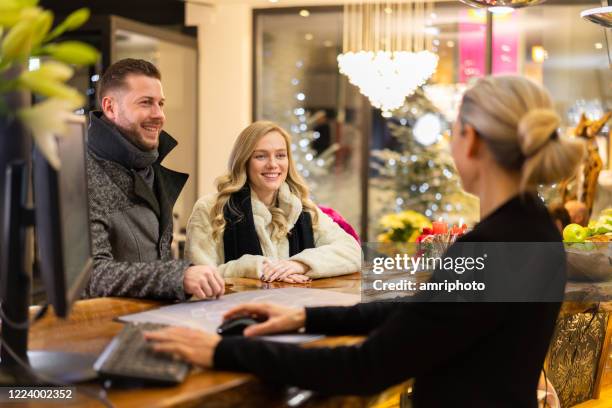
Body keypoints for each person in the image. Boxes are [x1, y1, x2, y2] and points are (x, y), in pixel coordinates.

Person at [145, 76, 584, 407]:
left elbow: (365, 367)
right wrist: (303, 318)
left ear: (470, 140)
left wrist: (225, 350)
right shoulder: (534, 230)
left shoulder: (491, 248)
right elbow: (422, 308)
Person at [84, 58, 224, 300]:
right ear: (110, 107)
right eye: (146, 103)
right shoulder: (82, 175)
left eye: (160, 103)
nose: (159, 115)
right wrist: (178, 276)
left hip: (150, 324)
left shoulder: (148, 167)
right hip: (104, 331)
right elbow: (91, 275)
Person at [184, 121, 361, 282]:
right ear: (244, 161)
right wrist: (254, 267)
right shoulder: (211, 209)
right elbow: (199, 278)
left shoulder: (303, 208)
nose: (273, 164)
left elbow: (353, 252)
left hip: (295, 312)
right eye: (261, 156)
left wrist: (299, 264)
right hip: (234, 313)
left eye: (280, 155)